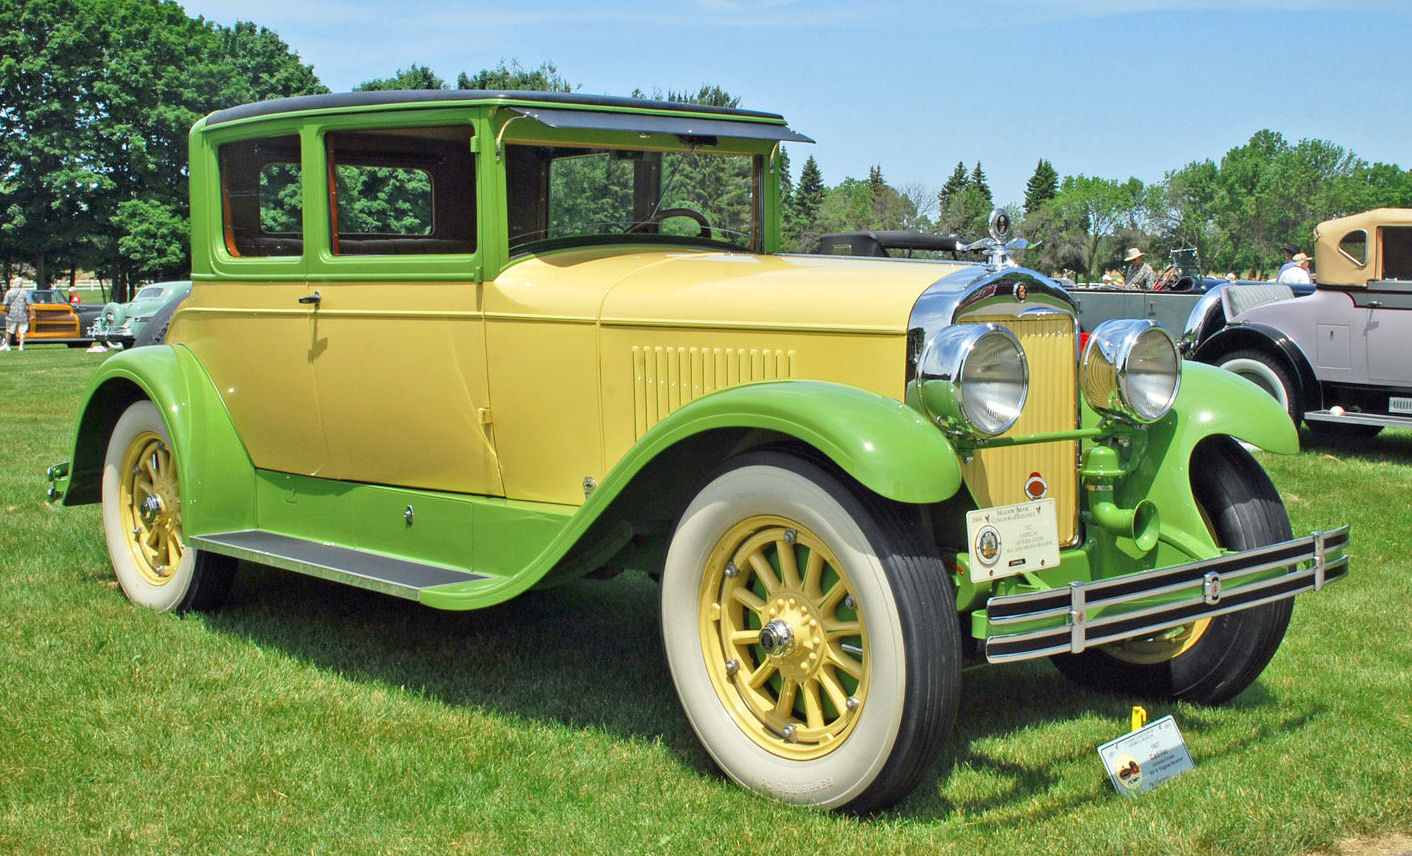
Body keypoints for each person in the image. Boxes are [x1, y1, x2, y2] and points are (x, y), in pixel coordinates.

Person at [3, 284, 33, 351]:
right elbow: (30, 304)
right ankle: (21, 346)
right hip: (22, 315)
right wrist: (32, 315)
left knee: (9, 331)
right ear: (21, 284)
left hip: (11, 315)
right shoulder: (24, 292)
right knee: (22, 332)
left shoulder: (9, 292)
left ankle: (7, 345)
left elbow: (5, 303)